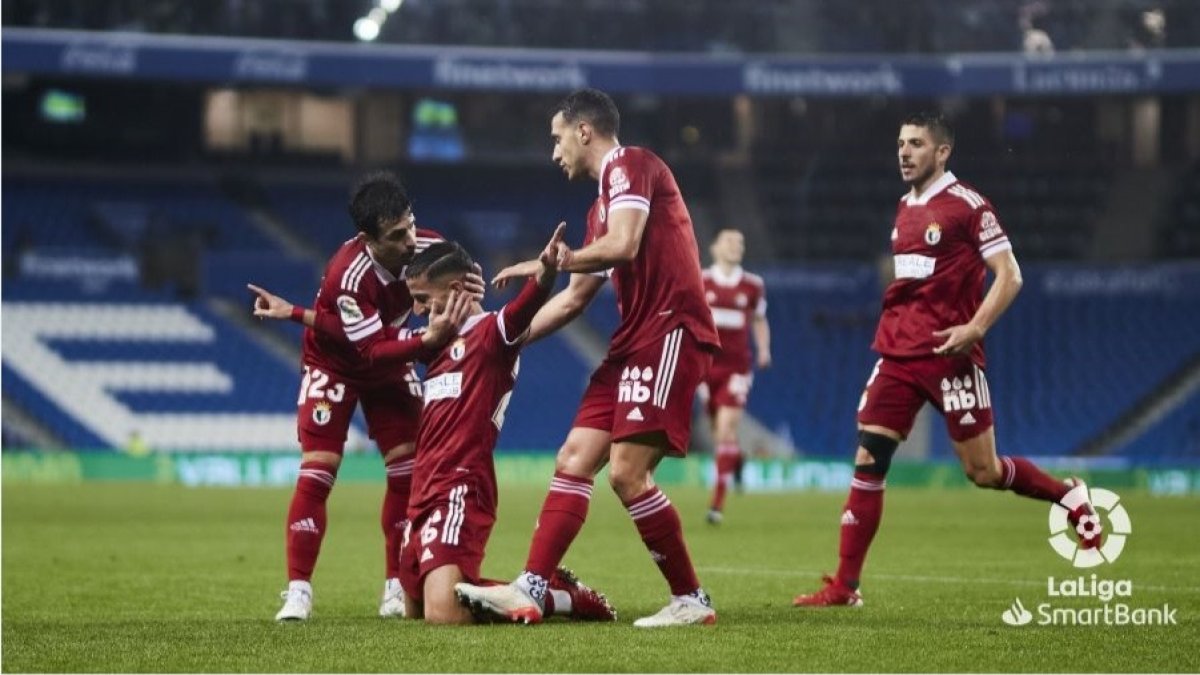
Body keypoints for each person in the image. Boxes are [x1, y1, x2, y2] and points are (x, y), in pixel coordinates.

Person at [792, 113, 1100, 608]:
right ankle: (845, 587)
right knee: (869, 457)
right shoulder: (902, 207)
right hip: (896, 352)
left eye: (916, 144)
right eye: (900, 143)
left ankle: (1068, 495)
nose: (904, 152)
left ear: (942, 153)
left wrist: (976, 326)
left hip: (949, 355)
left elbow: (1010, 275)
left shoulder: (968, 206)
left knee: (984, 472)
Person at [453, 88, 722, 627]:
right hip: (632, 342)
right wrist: (506, 340)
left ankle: (691, 600)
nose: (554, 153)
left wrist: (555, 259)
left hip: (669, 330)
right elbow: (574, 297)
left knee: (626, 473)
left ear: (583, 131)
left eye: (557, 139)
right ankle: (529, 587)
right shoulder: (600, 206)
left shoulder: (630, 165)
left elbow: (624, 245)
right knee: (574, 457)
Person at [248, 171, 477, 622]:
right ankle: (298, 591)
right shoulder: (346, 275)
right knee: (319, 471)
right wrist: (427, 340)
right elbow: (368, 350)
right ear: (367, 237)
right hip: (337, 362)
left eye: (411, 224)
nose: (411, 240)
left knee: (407, 469)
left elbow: (460, 286)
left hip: (389, 353)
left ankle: (395, 583)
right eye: (397, 235)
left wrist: (469, 293)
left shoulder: (430, 248)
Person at [698, 228, 771, 525]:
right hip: (706, 368)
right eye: (729, 241)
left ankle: (716, 505)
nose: (736, 246)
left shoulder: (753, 285)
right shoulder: (701, 281)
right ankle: (737, 462)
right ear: (715, 248)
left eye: (740, 242)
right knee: (720, 434)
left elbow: (759, 320)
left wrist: (764, 349)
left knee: (727, 430)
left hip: (737, 368)